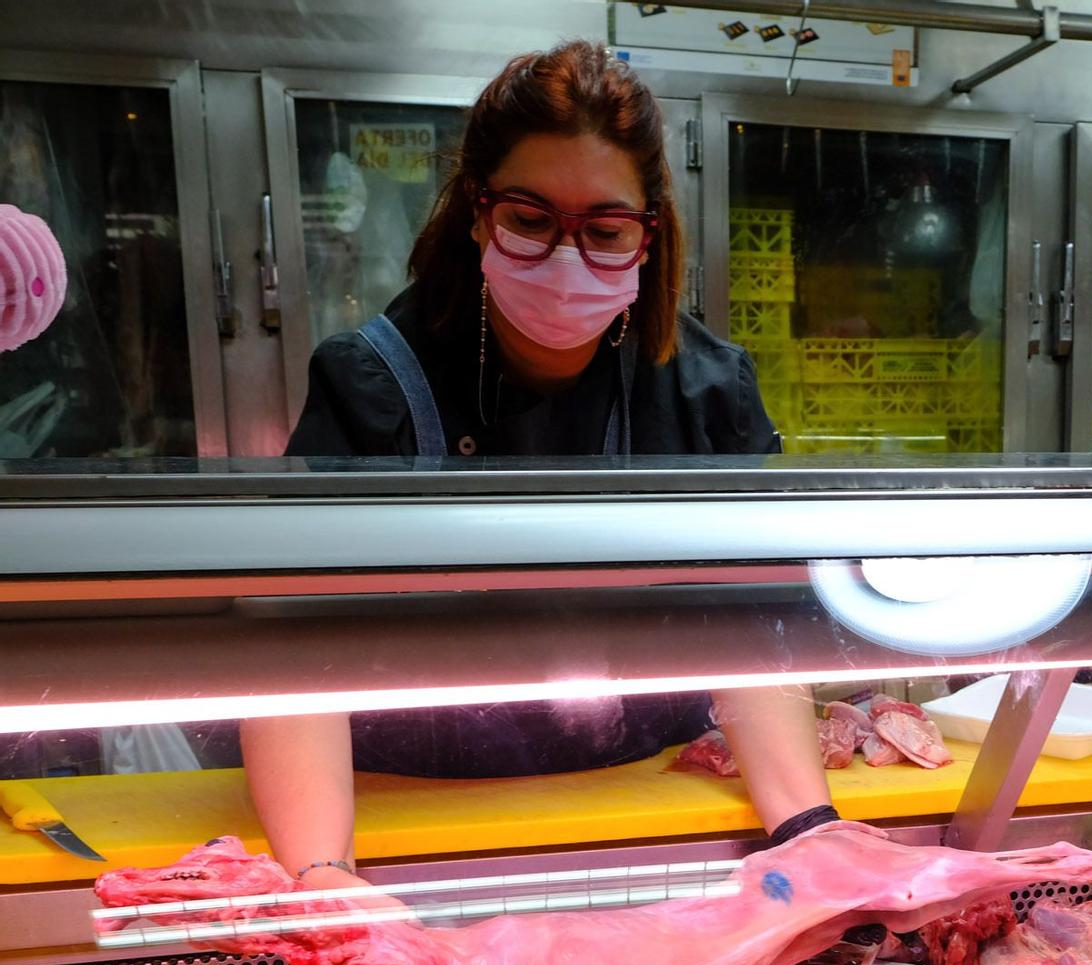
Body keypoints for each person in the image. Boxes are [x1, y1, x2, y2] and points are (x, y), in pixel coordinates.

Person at [248, 42, 832, 895]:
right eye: (529, 219)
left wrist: (808, 832)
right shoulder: (371, 380)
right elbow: (293, 643)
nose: (568, 259)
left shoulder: (708, 390)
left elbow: (750, 630)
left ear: (648, 234)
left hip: (648, 803)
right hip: (408, 811)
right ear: (478, 213)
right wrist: (324, 872)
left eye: (604, 231)